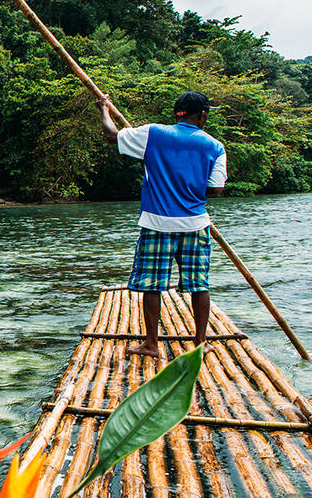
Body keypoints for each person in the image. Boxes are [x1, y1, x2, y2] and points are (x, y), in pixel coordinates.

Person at [96, 91, 227, 357]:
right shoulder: (214, 146)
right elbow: (215, 189)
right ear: (202, 114)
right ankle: (201, 341)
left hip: (157, 224)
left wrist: (104, 108)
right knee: (199, 284)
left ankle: (152, 344)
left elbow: (111, 135)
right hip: (195, 223)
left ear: (177, 112)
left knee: (152, 284)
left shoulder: (153, 134)